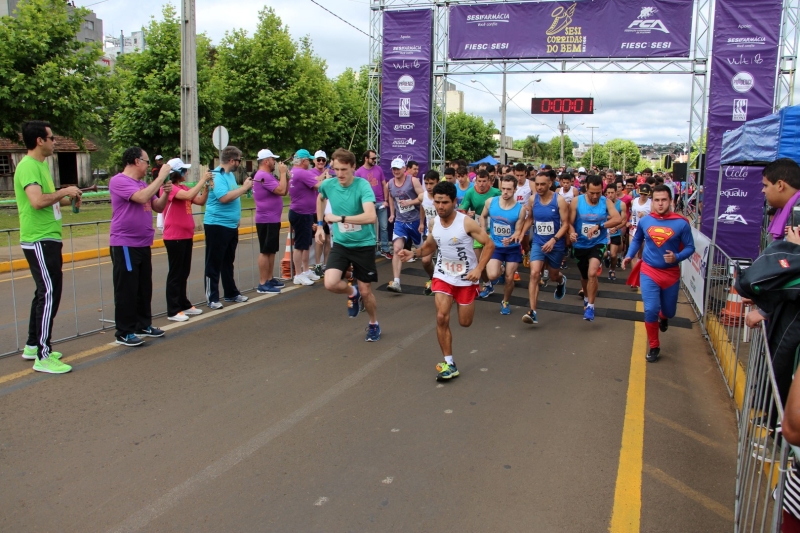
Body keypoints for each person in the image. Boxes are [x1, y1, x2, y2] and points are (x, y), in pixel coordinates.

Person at [397, 181, 494, 381]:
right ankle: (449, 363)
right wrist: (413, 253)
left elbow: (489, 244)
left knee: (465, 323)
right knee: (441, 317)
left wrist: (478, 269)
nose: (440, 206)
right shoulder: (434, 223)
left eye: (445, 203)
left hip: (466, 278)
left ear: (454, 202)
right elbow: (431, 246)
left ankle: (466, 299)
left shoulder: (466, 222)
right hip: (443, 274)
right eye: (438, 202)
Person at [14, 120, 82, 373]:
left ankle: (33, 344)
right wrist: (64, 190)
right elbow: (37, 201)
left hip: (48, 237)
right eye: (52, 138)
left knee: (44, 291)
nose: (55, 142)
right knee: (49, 293)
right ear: (40, 141)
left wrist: (67, 198)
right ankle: (43, 355)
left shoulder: (41, 166)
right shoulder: (29, 167)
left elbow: (49, 200)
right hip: (39, 239)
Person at [622, 185, 694, 362]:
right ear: (652, 202)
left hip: (670, 275)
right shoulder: (646, 221)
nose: (660, 204)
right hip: (649, 271)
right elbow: (637, 238)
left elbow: (691, 247)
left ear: (670, 201)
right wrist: (629, 255)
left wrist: (677, 256)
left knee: (668, 312)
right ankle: (654, 345)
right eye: (657, 200)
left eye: (664, 200)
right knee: (650, 310)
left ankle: (664, 317)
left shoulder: (681, 223)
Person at [316, 148, 381, 341]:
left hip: (363, 244)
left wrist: (340, 218)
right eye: (336, 169)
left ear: (353, 167)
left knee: (366, 291)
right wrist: (320, 226)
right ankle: (351, 292)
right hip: (342, 244)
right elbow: (319, 199)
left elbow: (371, 216)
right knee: (330, 282)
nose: (340, 174)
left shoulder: (363, 186)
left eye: (344, 169)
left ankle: (373, 323)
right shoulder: (328, 185)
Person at [109, 146, 172, 346]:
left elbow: (158, 206)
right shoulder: (119, 181)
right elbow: (141, 198)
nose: (148, 165)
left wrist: (165, 194)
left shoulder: (142, 183)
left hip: (143, 242)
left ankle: (143, 324)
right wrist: (160, 177)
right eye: (146, 161)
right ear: (136, 161)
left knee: (143, 287)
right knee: (127, 289)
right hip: (125, 243)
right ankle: (124, 331)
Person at [204, 145, 252, 309]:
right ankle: (212, 297)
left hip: (230, 225)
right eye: (239, 160)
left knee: (227, 261)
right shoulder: (217, 175)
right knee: (214, 262)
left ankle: (231, 292)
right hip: (217, 224)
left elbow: (233, 196)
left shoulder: (230, 175)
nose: (240, 163)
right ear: (232, 160)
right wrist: (244, 188)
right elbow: (224, 197)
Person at [569, 174, 622, 321]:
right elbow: (569, 222)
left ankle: (591, 307)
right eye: (592, 193)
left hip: (598, 242)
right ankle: (586, 296)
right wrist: (572, 233)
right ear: (586, 189)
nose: (595, 196)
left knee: (592, 273)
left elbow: (618, 218)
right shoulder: (577, 201)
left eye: (598, 193)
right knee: (585, 276)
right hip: (580, 244)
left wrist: (600, 226)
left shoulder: (605, 202)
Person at [162, 158, 209, 321]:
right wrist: (202, 179)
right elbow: (189, 195)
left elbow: (200, 200)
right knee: (176, 273)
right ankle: (173, 309)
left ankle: (183, 303)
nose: (186, 173)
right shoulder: (169, 188)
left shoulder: (183, 187)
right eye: (184, 170)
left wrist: (207, 187)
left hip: (186, 235)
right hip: (174, 236)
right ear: (176, 172)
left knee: (184, 272)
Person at [521, 171, 570, 324]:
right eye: (537, 184)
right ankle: (533, 311)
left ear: (550, 184)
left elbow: (566, 224)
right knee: (535, 273)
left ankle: (561, 281)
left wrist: (554, 240)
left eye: (543, 184)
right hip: (538, 243)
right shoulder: (532, 199)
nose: (540, 187)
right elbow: (530, 219)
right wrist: (522, 233)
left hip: (556, 244)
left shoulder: (559, 200)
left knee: (554, 275)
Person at [479, 175, 526, 314]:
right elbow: (483, 216)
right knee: (492, 275)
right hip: (495, 246)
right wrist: (483, 231)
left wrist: (512, 238)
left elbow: (518, 231)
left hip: (512, 248)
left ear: (515, 189)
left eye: (509, 189)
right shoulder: (490, 202)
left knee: (509, 278)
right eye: (503, 189)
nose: (505, 192)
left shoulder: (520, 209)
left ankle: (505, 302)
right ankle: (500, 268)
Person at [386, 157, 424, 293]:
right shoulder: (390, 183)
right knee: (397, 248)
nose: (396, 171)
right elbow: (391, 197)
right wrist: (392, 213)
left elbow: (423, 197)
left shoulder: (413, 181)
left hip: (414, 220)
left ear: (404, 169)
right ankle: (396, 282)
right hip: (400, 222)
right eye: (393, 169)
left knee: (424, 254)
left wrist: (410, 203)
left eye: (398, 168)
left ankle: (434, 278)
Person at [252, 149, 288, 294]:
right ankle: (262, 282)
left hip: (272, 218)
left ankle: (269, 278)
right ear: (266, 161)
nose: (275, 162)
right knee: (265, 250)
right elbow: (280, 190)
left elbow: (284, 190)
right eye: (273, 160)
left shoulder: (268, 175)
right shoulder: (263, 176)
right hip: (266, 219)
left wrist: (287, 176)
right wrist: (283, 174)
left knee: (271, 250)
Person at [458, 170, 500, 289]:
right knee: (478, 262)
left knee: (492, 260)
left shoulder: (496, 192)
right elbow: (462, 209)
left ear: (489, 181)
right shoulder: (470, 192)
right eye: (479, 181)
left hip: (494, 230)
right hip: (478, 230)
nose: (481, 184)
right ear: (475, 181)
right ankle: (487, 284)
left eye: (484, 181)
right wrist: (466, 213)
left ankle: (499, 269)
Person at [288, 149, 324, 285]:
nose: (309, 162)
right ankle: (298, 274)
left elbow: (315, 180)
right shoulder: (302, 173)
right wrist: (329, 182)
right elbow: (318, 185)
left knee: (306, 243)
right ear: (303, 161)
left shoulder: (294, 171)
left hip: (303, 212)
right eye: (308, 160)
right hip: (301, 212)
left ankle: (305, 270)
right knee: (300, 245)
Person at [354, 149, 390, 258]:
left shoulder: (378, 169)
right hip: (368, 204)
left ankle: (385, 249)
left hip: (380, 202)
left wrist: (386, 200)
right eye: (373, 158)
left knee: (384, 227)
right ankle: (372, 250)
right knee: (370, 228)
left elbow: (384, 185)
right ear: (366, 158)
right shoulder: (359, 172)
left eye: (376, 158)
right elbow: (357, 189)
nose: (375, 160)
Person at [418, 170, 440, 295]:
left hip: (445, 235)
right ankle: (433, 279)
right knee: (425, 261)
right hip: (430, 234)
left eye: (432, 183)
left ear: (437, 182)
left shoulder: (443, 197)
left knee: (446, 263)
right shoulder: (423, 196)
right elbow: (422, 207)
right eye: (426, 183)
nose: (429, 186)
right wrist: (421, 222)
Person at [627, 183, 653, 288]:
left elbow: (655, 216)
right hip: (634, 228)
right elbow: (630, 214)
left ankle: (643, 276)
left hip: (646, 230)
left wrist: (645, 215)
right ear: (638, 192)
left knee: (643, 255)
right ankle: (635, 278)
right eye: (641, 193)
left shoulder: (651, 203)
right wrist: (628, 221)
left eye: (645, 194)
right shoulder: (634, 201)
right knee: (634, 254)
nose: (643, 196)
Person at [311, 150, 333, 275]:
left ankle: (326, 264)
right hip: (317, 210)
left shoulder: (330, 173)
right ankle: (318, 264)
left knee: (328, 239)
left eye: (323, 160)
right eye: (318, 159)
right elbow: (317, 184)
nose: (320, 162)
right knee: (319, 239)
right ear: (314, 160)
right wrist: (325, 176)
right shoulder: (311, 173)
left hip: (328, 210)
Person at [604, 185, 627, 282]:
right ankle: (606, 256)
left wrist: (616, 227)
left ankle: (612, 270)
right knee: (604, 254)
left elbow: (624, 220)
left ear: (616, 193)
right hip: (604, 232)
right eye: (608, 193)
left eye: (612, 193)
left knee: (614, 255)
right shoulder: (602, 204)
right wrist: (611, 219)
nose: (610, 195)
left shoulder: (621, 205)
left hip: (615, 232)